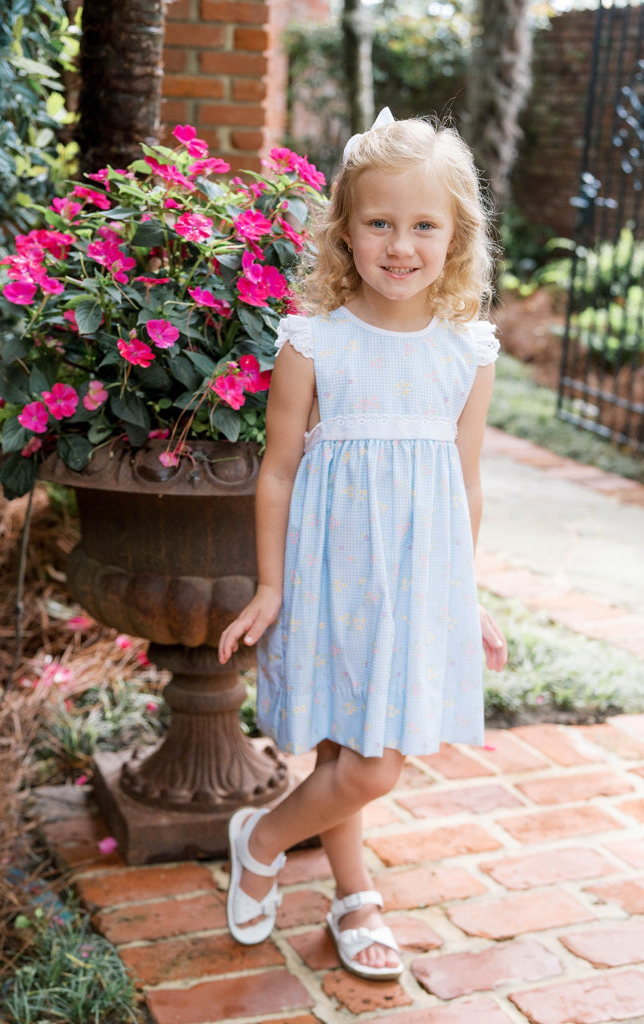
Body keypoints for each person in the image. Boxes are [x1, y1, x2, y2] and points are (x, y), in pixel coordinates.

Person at [218, 109, 508, 981]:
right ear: (345, 228)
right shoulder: (315, 342)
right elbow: (277, 472)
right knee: (346, 754)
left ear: (456, 237)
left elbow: (463, 484)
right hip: (329, 576)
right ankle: (352, 893)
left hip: (415, 584)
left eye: (424, 226)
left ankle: (261, 839)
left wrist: (465, 593)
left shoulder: (468, 353)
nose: (400, 245)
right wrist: (270, 587)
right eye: (380, 222)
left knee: (372, 764)